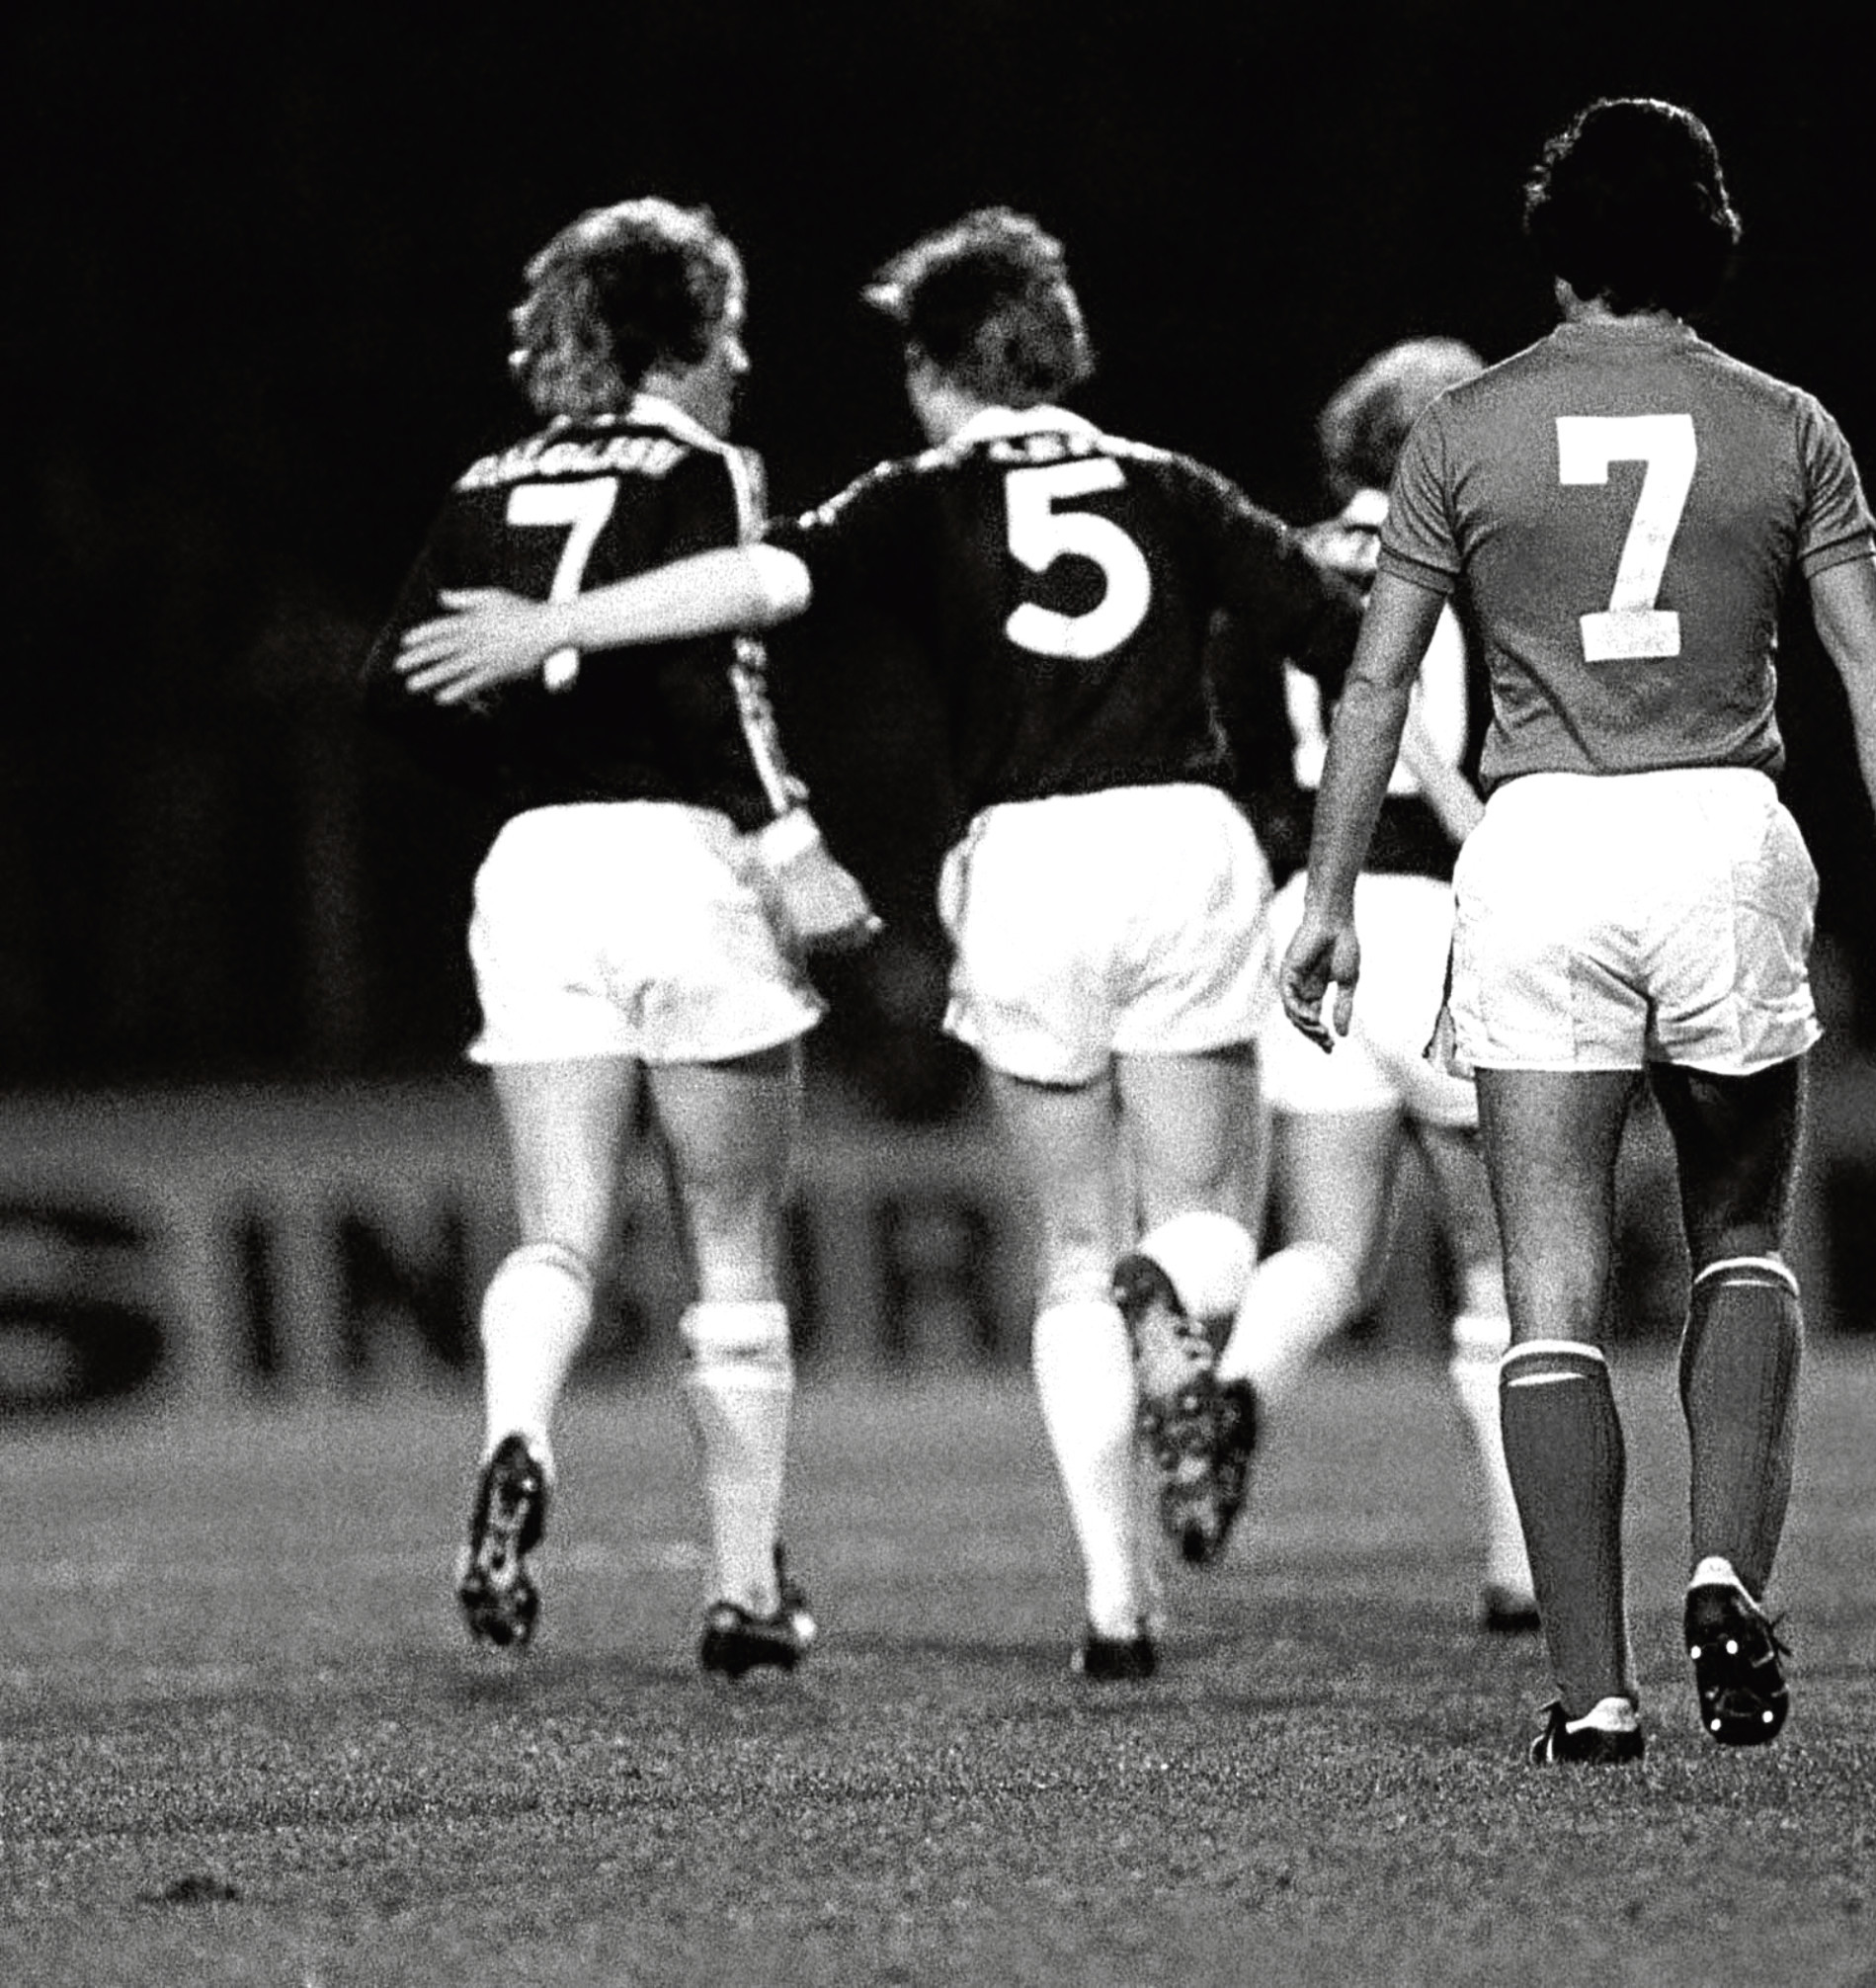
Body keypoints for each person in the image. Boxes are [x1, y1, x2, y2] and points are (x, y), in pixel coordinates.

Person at [398, 207, 1363, 1682]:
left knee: (1067, 1256)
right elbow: (1352, 638)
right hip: (1183, 840)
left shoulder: (915, 496)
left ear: (927, 373)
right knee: (1207, 1216)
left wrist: (554, 626)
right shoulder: (1176, 487)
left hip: (1022, 865)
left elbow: (756, 590)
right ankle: (1186, 1302)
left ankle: (1117, 1606)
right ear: (1063, 347)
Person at [1278, 98, 1876, 1765]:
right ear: (1713, 236)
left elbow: (1376, 680)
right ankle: (1726, 1563)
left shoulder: (1459, 428)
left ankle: (1591, 1691)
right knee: (1739, 1233)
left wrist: (1326, 896)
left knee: (1551, 1290)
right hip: (1722, 831)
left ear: (1555, 246)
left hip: (1538, 847)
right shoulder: (1787, 424)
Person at [367, 197, 870, 1678]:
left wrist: (527, 781)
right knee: (728, 1237)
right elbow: (715, 683)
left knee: (559, 1232)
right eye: (735, 331)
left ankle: (518, 1433)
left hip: (533, 867)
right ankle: (741, 1593)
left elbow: (396, 691)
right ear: (696, 330)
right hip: (682, 855)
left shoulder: (481, 479)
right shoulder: (700, 465)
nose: (743, 363)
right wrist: (790, 843)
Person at [1217, 336, 1540, 1631]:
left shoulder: (1276, 568)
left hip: (1315, 916)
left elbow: (1237, 750)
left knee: (1329, 1249)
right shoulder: (1484, 570)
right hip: (1450, 913)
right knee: (1502, 1266)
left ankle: (1241, 1378)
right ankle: (1523, 1569)